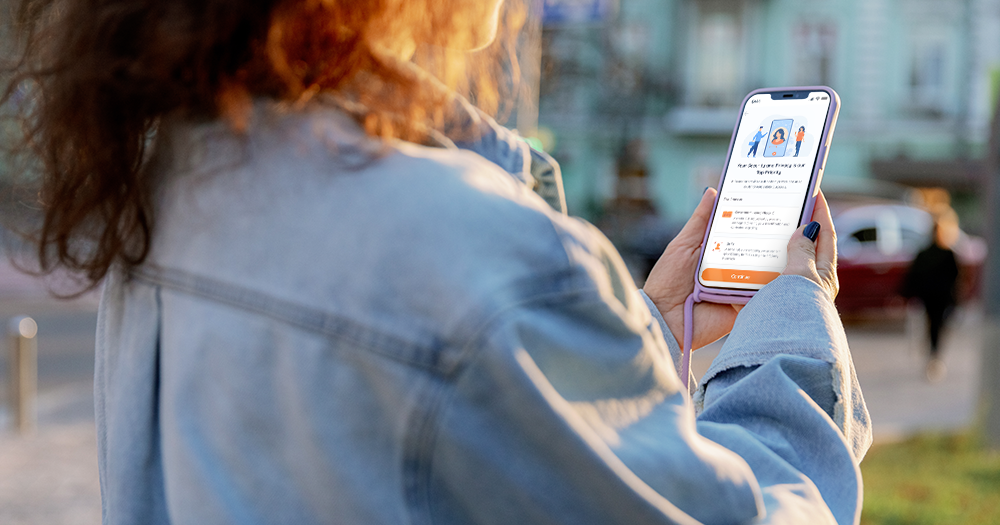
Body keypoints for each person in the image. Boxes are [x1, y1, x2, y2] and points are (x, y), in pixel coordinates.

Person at [3, 0, 870, 523]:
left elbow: (412, 432)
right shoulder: (474, 265)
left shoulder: (174, 174)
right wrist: (791, 327)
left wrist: (628, 330)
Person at [902, 217, 961, 382]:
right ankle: (934, 355)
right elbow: (956, 279)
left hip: (930, 297)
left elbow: (913, 276)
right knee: (937, 326)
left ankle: (932, 355)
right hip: (939, 298)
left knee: (932, 325)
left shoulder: (928, 253)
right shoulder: (946, 254)